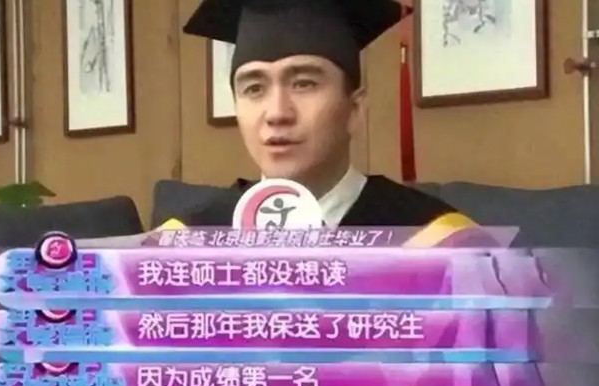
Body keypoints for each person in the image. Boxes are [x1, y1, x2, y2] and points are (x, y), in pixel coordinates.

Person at [181, 0, 469, 231]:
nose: (277, 113)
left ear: (355, 110)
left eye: (304, 84)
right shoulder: (187, 243)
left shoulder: (435, 241)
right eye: (254, 88)